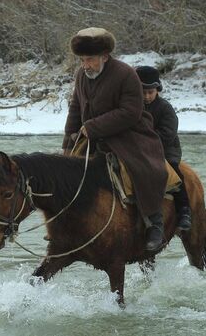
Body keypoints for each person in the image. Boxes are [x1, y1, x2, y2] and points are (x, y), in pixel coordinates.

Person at [63, 27, 168, 251]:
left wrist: (93, 126)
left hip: (129, 135)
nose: (85, 65)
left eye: (89, 59)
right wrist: (67, 144)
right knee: (65, 175)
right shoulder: (82, 75)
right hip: (92, 137)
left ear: (104, 56)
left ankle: (154, 223)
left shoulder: (126, 74)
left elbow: (131, 111)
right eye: (82, 60)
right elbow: (75, 107)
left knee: (146, 169)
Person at [136, 66, 191, 231]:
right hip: (139, 149)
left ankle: (184, 211)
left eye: (150, 92)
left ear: (157, 90)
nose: (146, 96)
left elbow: (167, 134)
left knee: (174, 173)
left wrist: (143, 140)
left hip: (166, 150)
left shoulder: (165, 108)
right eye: (143, 92)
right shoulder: (133, 106)